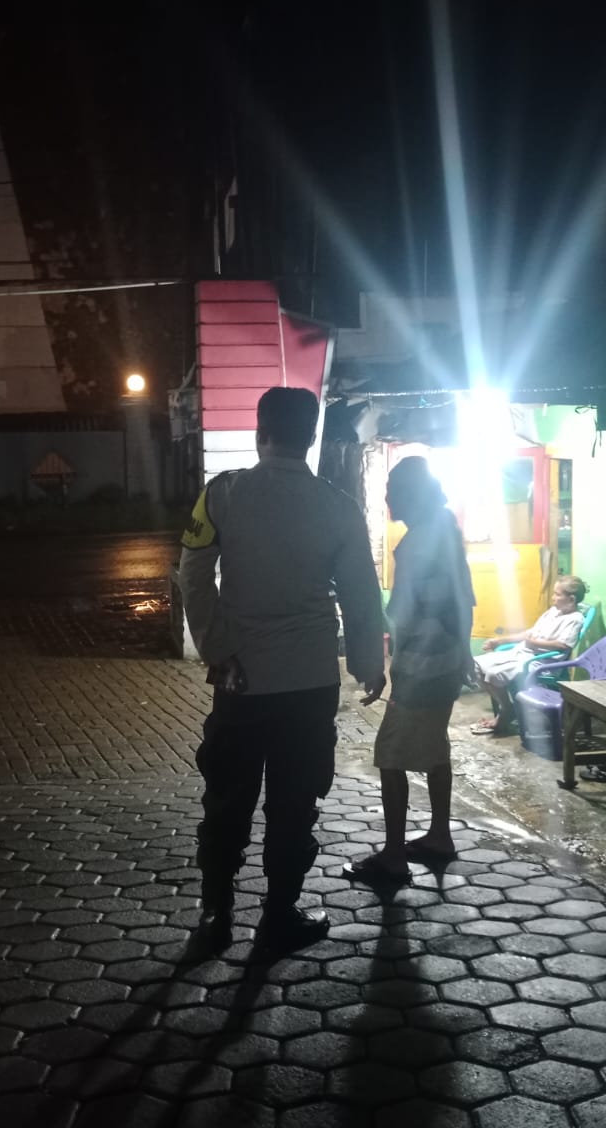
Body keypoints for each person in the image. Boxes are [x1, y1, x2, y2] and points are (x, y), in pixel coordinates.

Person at [177, 387, 386, 952]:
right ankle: (278, 916)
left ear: (259, 432)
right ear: (311, 437)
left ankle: (216, 915)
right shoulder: (338, 505)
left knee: (227, 800)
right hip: (310, 682)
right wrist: (369, 662)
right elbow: (362, 594)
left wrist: (217, 649)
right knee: (295, 803)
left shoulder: (221, 494)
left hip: (241, 681)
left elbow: (192, 577)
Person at [346, 457, 474, 884]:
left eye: (393, 491)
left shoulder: (417, 544)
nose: (388, 499)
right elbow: (465, 601)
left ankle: (394, 857)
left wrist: (375, 655)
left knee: (390, 755)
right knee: (435, 748)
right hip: (447, 662)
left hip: (422, 666)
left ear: (412, 495)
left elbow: (399, 612)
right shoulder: (446, 531)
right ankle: (439, 836)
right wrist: (463, 655)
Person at [471, 575, 590, 732]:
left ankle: (506, 710)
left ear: (571, 599)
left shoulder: (575, 619)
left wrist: (535, 643)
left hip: (541, 662)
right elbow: (530, 633)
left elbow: (563, 645)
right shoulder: (553, 612)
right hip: (521, 653)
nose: (553, 597)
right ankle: (508, 707)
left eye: (557, 594)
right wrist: (500, 641)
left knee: (493, 674)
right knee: (473, 665)